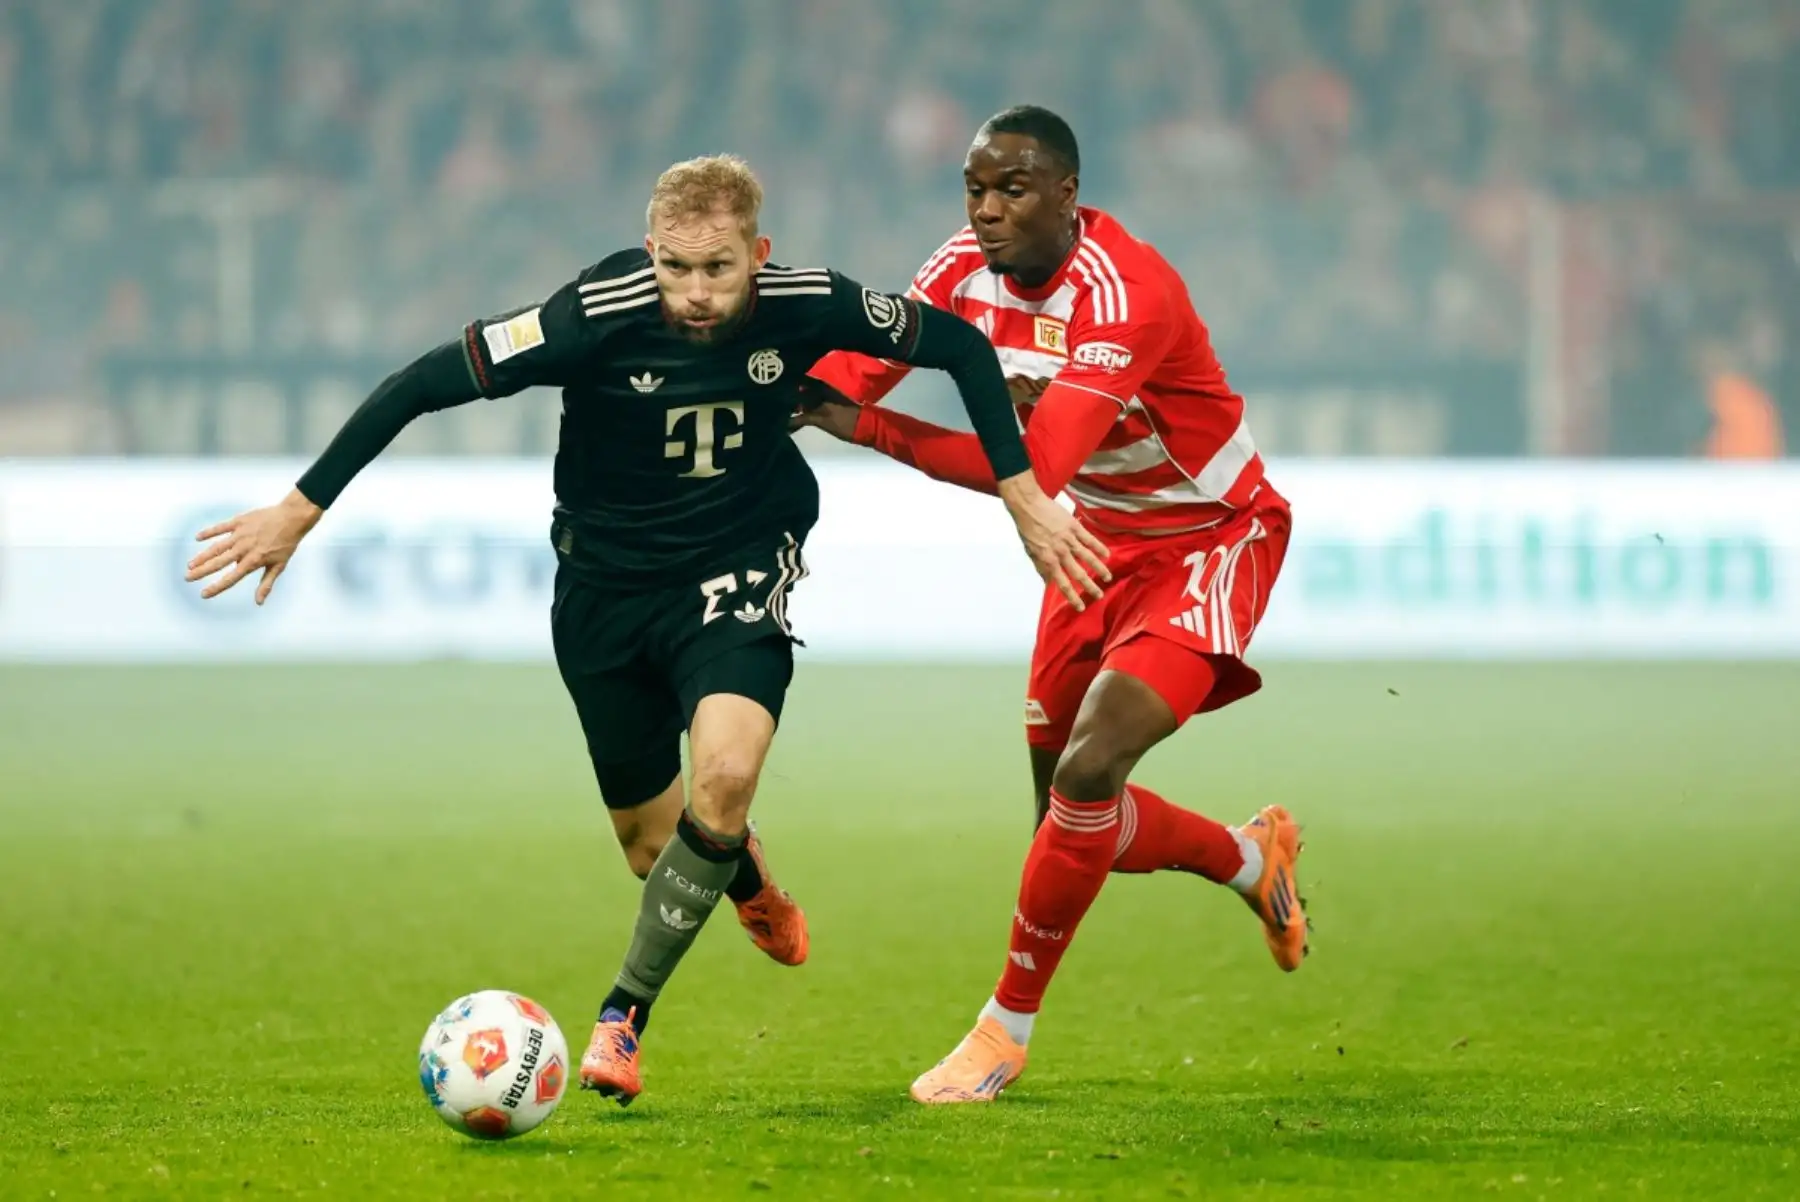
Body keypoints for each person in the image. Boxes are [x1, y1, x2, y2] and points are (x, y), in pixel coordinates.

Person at [185, 153, 1109, 1107]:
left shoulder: (808, 301)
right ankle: (745, 878)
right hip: (604, 592)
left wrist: (1022, 495)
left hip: (737, 564)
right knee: (650, 847)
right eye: (676, 267)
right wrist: (300, 509)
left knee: (726, 776)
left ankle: (622, 1017)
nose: (696, 293)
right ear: (650, 249)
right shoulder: (591, 315)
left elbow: (960, 348)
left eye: (718, 269)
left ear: (760, 254)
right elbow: (419, 383)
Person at [798, 107, 1309, 1104]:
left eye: (1013, 190)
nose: (987, 211)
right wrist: (776, 390)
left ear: (1068, 195)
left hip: (1208, 538)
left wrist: (861, 427)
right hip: (1093, 545)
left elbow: (1035, 466)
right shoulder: (958, 266)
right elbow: (856, 366)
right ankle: (1250, 858)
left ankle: (1002, 1031)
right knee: (1069, 825)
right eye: (975, 190)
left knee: (1088, 772)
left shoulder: (1126, 293)